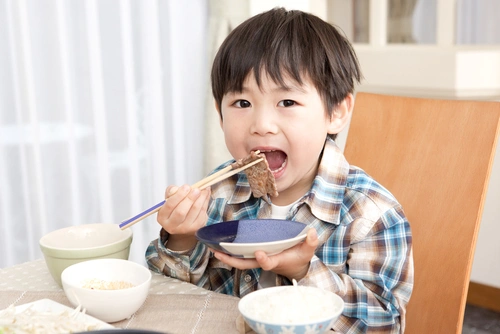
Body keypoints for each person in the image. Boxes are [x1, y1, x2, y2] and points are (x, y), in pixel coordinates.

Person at [146, 7, 413, 333]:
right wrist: (182, 238)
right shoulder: (221, 192)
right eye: (242, 104)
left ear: (337, 112)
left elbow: (383, 324)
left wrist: (304, 270)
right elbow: (176, 298)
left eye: (286, 102)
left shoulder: (371, 214)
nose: (261, 125)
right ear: (219, 115)